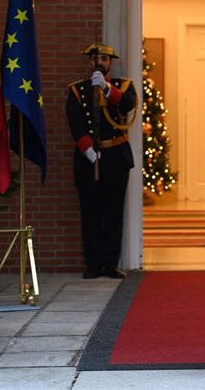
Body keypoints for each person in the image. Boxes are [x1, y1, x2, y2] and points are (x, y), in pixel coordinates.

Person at [66, 43, 137, 280]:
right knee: (91, 212)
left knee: (114, 212)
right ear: (90, 62)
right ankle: (94, 264)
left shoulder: (123, 85)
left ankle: (110, 263)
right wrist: (86, 148)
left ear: (111, 63)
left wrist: (106, 88)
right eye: (96, 58)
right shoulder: (77, 90)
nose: (100, 62)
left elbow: (128, 105)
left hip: (116, 158)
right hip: (89, 159)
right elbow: (75, 121)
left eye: (105, 59)